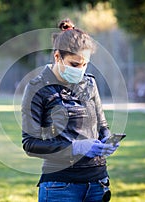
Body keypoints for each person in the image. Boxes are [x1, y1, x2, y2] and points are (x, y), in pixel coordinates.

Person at [22, 19, 121, 202]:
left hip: (98, 183)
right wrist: (75, 148)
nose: (81, 70)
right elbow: (30, 144)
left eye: (85, 65)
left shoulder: (90, 83)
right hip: (61, 186)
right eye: (75, 65)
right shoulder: (37, 88)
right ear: (57, 57)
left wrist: (108, 140)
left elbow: (102, 125)